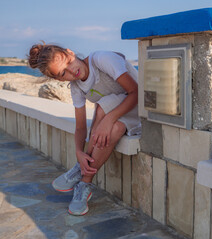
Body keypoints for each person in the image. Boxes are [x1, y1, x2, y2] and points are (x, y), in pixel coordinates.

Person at [28, 42, 140, 216]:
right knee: (116, 129)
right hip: (120, 117)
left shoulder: (101, 59)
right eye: (63, 73)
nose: (71, 71)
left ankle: (83, 176)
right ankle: (83, 182)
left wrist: (108, 119)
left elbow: (136, 91)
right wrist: (79, 152)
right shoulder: (76, 87)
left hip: (141, 106)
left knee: (102, 109)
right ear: (59, 80)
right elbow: (80, 127)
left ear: (70, 52)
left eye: (68, 62)